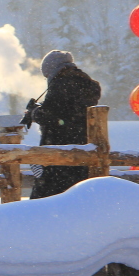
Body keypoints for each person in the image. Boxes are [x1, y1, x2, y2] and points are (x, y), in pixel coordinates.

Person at [25, 50, 101, 199]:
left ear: (52, 69)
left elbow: (52, 116)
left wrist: (34, 112)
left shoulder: (61, 83)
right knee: (77, 195)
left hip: (59, 149)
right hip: (83, 147)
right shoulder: (87, 84)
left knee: (48, 198)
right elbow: (67, 112)